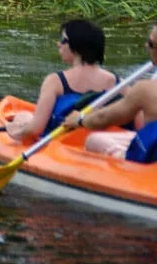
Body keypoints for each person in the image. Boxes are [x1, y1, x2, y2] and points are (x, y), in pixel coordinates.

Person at [4, 19, 118, 140]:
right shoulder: (119, 83)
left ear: (77, 45)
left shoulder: (55, 81)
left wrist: (17, 131)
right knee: (25, 116)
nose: (59, 44)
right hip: (99, 140)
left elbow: (36, 129)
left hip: (63, 143)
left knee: (22, 117)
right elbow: (138, 124)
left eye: (63, 40)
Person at [62, 23, 157, 162]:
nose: (146, 46)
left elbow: (103, 118)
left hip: (151, 157)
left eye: (150, 43)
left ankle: (122, 160)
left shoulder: (145, 89)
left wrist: (80, 120)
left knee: (94, 140)